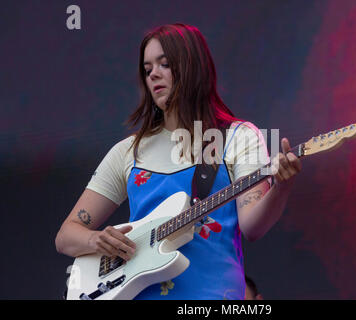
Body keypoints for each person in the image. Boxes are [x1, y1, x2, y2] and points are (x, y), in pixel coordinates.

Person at [55, 23, 301, 300]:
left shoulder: (238, 137)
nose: (154, 75)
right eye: (148, 70)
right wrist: (95, 240)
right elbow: (65, 236)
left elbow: (253, 226)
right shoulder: (128, 151)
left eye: (165, 64)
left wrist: (282, 187)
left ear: (192, 67)